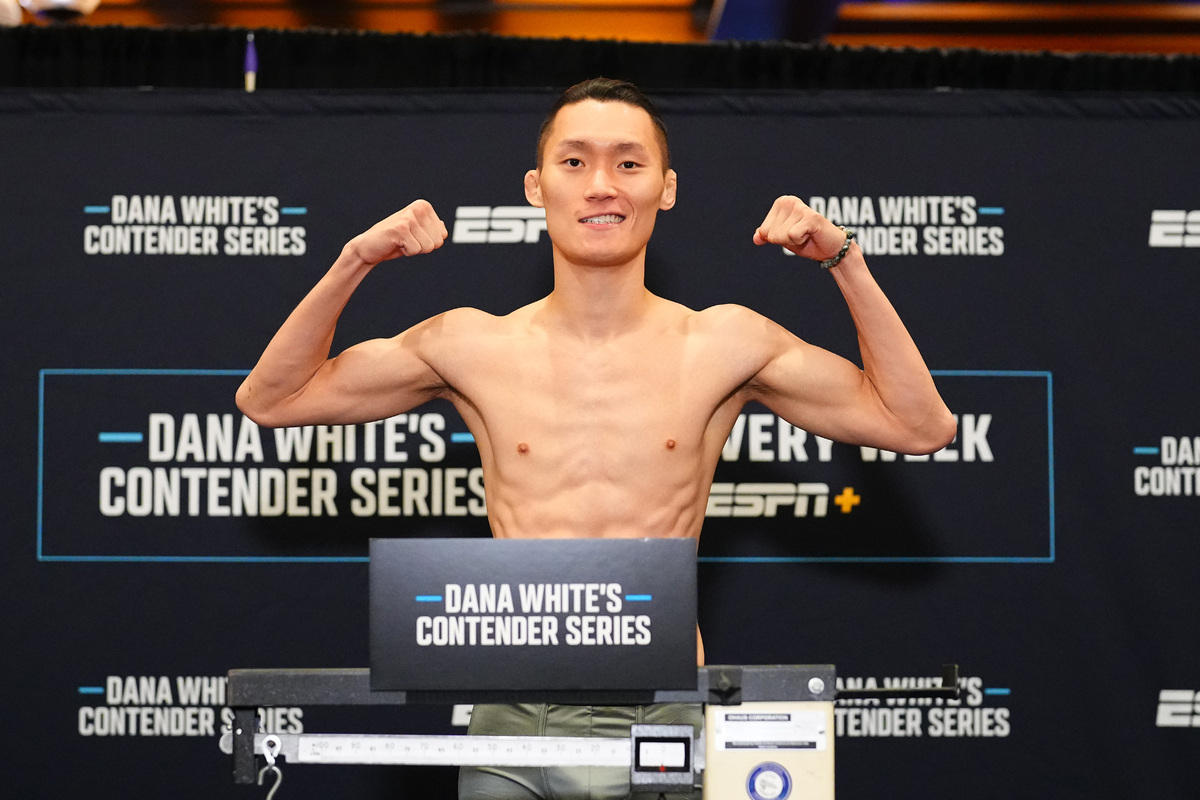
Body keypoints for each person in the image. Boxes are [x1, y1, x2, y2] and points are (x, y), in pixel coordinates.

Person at [236, 78, 956, 800]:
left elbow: (918, 425)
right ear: (536, 186)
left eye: (629, 163)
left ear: (666, 189)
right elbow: (272, 399)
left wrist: (845, 261)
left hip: (662, 709)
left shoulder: (725, 343)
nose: (602, 185)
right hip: (511, 716)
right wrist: (354, 260)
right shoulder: (470, 344)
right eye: (575, 162)